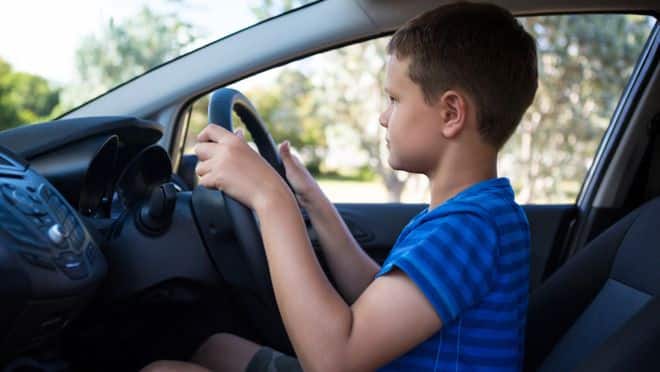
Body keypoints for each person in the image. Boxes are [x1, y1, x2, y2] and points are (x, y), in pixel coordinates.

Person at [143, 2, 537, 371]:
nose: (384, 117)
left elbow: (334, 359)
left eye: (394, 99)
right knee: (217, 347)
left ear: (451, 113)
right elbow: (378, 295)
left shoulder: (468, 228)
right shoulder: (478, 214)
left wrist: (271, 198)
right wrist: (314, 204)